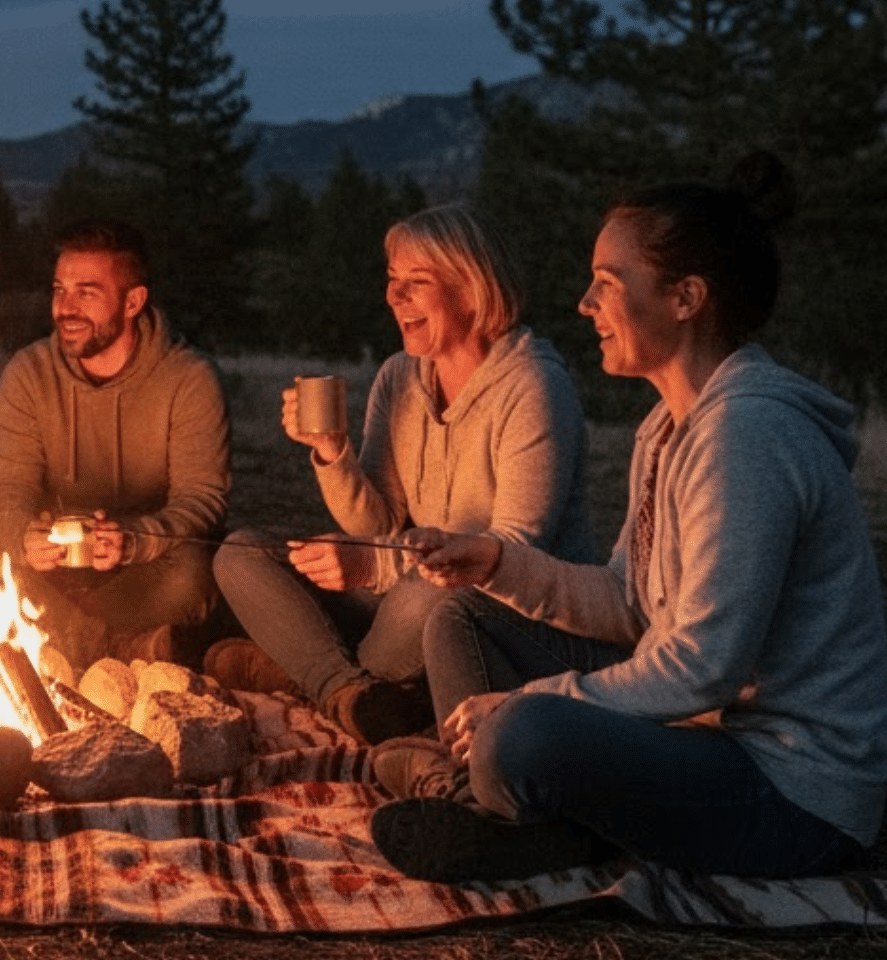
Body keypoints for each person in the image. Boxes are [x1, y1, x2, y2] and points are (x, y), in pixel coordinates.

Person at [371, 155, 887, 883]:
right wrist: (493, 562)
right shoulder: (668, 429)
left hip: (792, 793)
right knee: (464, 614)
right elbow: (629, 602)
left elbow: (703, 668)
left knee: (524, 731)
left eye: (607, 285)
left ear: (686, 298)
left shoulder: (747, 437)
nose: (585, 304)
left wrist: (527, 697)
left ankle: (497, 803)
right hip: (708, 741)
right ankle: (499, 810)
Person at [207, 204, 598, 743]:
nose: (394, 298)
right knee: (242, 553)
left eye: (416, 283)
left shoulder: (532, 385)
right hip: (407, 583)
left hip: (497, 606)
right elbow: (378, 519)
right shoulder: (400, 376)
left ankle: (312, 673)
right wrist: (330, 450)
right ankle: (350, 691)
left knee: (426, 599)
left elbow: (515, 550)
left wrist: (371, 566)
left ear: (472, 289)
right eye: (393, 281)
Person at [0, 220, 230, 669]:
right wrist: (23, 536)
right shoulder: (29, 373)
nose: (65, 308)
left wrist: (137, 540)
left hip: (143, 570)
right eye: (59, 290)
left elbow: (203, 500)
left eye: (86, 293)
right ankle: (125, 649)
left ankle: (65, 644)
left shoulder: (188, 378)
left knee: (198, 571)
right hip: (55, 572)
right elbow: (4, 491)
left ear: (133, 301)